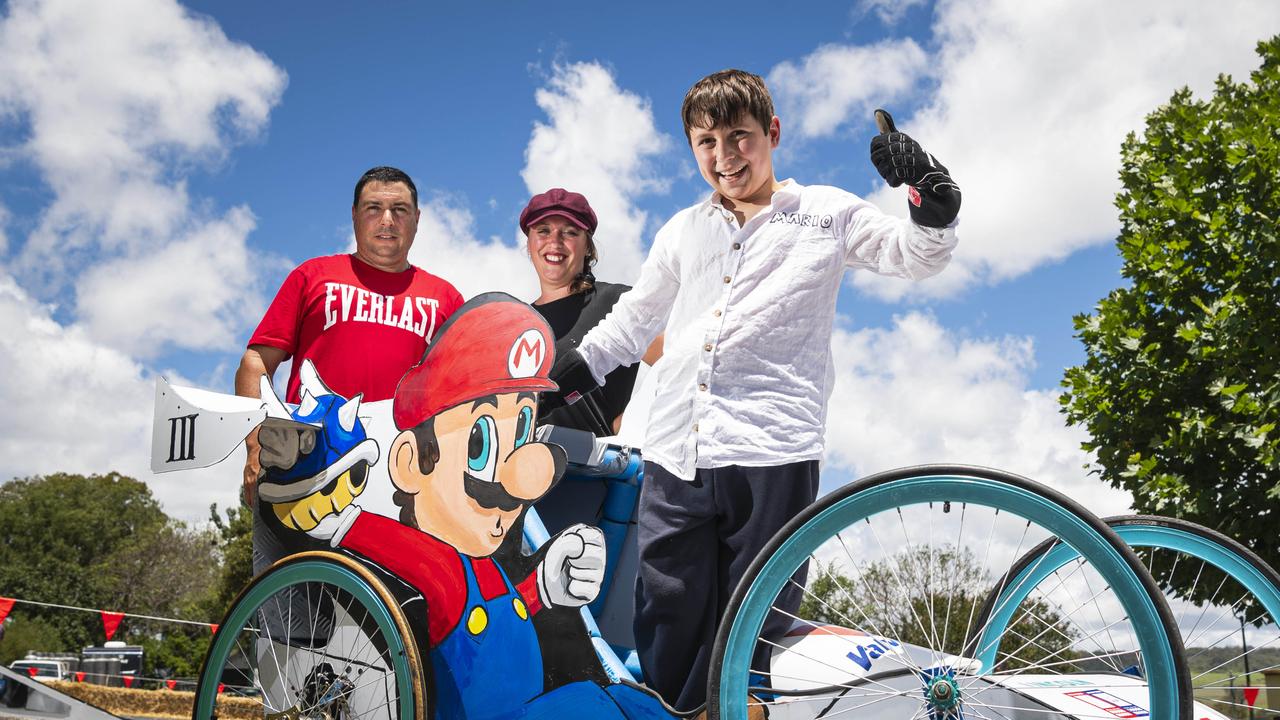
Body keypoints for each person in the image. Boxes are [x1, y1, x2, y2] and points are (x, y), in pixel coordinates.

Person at [547, 69, 961, 712]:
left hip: (772, 450)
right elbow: (631, 326)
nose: (724, 157)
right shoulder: (682, 230)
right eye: (706, 142)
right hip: (676, 449)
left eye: (739, 137)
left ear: (772, 132)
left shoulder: (827, 213)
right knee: (666, 613)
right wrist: (559, 380)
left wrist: (931, 205)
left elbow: (913, 254)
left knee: (755, 630)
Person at [235, 165, 464, 572]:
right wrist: (254, 447)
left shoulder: (446, 299)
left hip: (399, 477)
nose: (387, 220)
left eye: (400, 209)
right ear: (355, 215)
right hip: (301, 468)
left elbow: (459, 397)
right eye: (374, 208)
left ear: (417, 219)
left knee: (387, 622)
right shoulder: (312, 276)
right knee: (292, 620)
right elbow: (256, 362)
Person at [521, 187, 662, 437]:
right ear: (530, 243)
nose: (554, 241)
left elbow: (679, 364)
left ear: (587, 246)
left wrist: (634, 421)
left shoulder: (617, 301)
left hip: (598, 472)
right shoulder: (514, 322)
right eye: (543, 231)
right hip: (521, 470)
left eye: (570, 232)